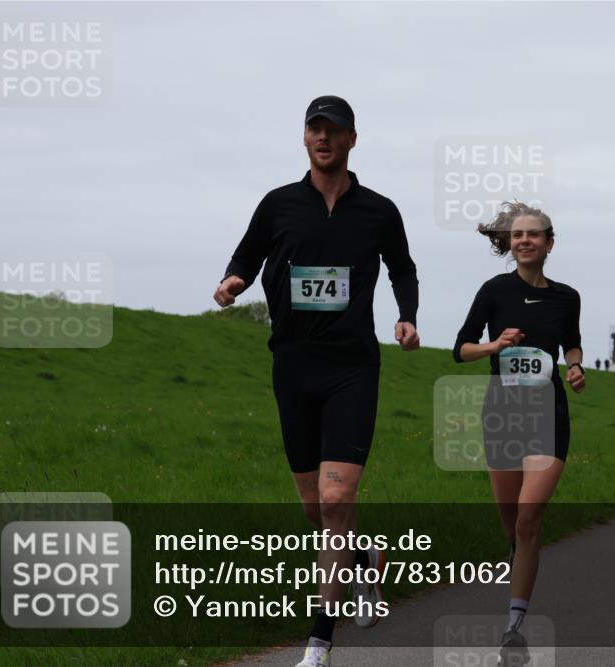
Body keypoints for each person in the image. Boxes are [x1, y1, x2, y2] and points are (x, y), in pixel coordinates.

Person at [214, 95, 421, 667]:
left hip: (352, 368)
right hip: (293, 365)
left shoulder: (379, 210)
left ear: (353, 139)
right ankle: (365, 562)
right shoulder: (279, 203)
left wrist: (407, 314)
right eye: (314, 129)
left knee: (335, 499)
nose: (323, 138)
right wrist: (232, 282)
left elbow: (402, 266)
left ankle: (319, 645)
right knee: (315, 508)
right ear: (304, 138)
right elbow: (248, 254)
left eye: (333, 130)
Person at [452, 201, 584, 666]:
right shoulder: (493, 291)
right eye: (517, 235)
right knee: (511, 525)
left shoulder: (568, 297)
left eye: (534, 234)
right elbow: (460, 349)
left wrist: (574, 367)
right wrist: (495, 344)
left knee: (529, 519)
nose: (524, 241)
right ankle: (519, 561)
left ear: (550, 242)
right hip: (504, 412)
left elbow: (571, 340)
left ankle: (513, 628)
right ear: (509, 243)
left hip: (549, 412)